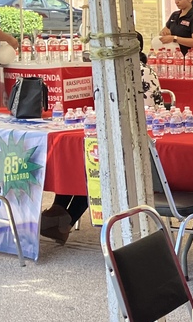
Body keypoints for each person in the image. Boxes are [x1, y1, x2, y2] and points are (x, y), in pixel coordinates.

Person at [42, 33, 163, 243]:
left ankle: (63, 215)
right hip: (129, 131)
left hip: (138, 137)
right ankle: (60, 213)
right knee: (88, 162)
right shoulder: (142, 68)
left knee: (95, 167)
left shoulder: (130, 72)